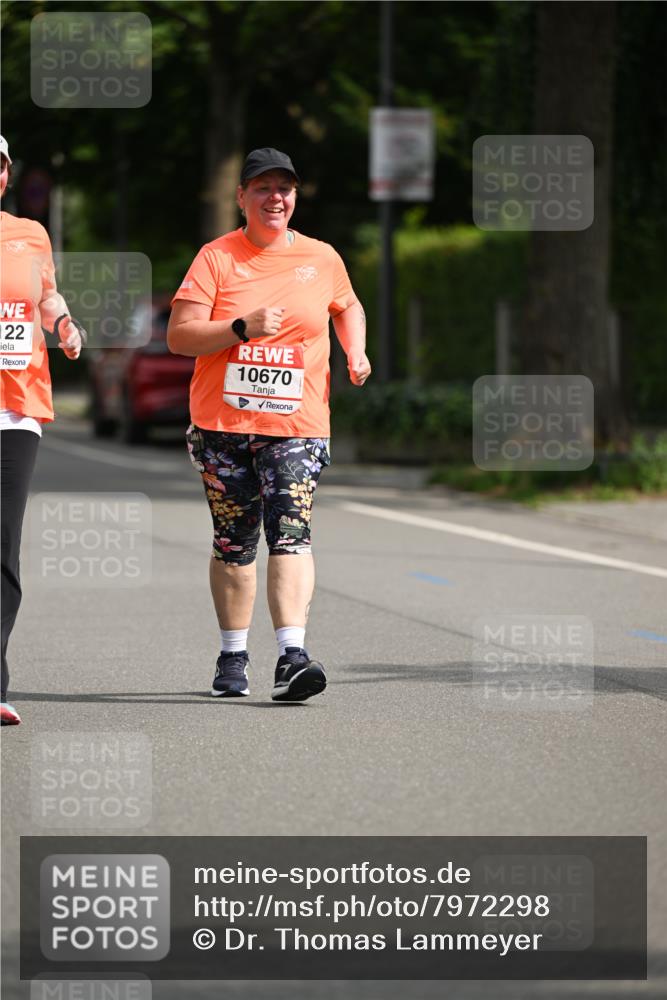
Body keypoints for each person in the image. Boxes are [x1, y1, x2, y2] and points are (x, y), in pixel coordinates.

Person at [168, 147, 370, 702]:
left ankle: (291, 654)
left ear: (295, 198)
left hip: (297, 423)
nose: (275, 197)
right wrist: (240, 327)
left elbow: (347, 306)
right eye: (263, 187)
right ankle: (233, 655)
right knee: (234, 544)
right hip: (222, 425)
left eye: (285, 188)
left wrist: (355, 351)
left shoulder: (322, 257)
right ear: (241, 198)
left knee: (290, 531)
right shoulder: (216, 258)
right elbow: (180, 336)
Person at [1, 135, 84, 726]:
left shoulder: (31, 234)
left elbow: (46, 294)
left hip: (15, 407)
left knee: (3, 544)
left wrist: (63, 322)